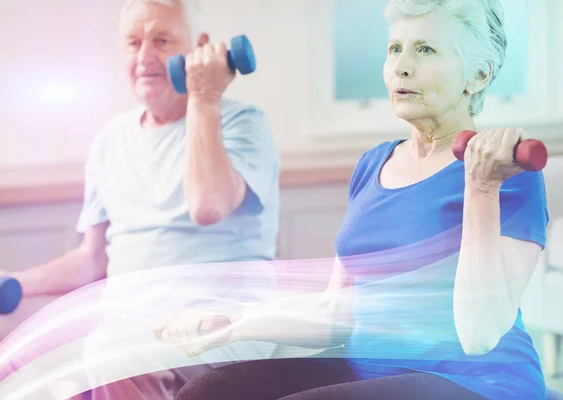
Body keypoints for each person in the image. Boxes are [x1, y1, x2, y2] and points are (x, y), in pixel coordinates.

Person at [157, 0, 551, 399]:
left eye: (425, 49)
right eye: (395, 48)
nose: (401, 66)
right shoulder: (373, 164)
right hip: (369, 376)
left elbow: (479, 334)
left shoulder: (509, 178)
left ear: (479, 75)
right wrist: (233, 325)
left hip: (477, 385)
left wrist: (481, 186)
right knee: (207, 394)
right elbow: (335, 314)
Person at [0, 0, 280, 398]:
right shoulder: (110, 138)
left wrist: (204, 96)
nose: (145, 57)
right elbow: (91, 258)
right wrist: (11, 282)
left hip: (219, 323)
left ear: (199, 47)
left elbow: (206, 205)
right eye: (133, 43)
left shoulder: (243, 122)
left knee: (115, 348)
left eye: (162, 40)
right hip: (123, 315)